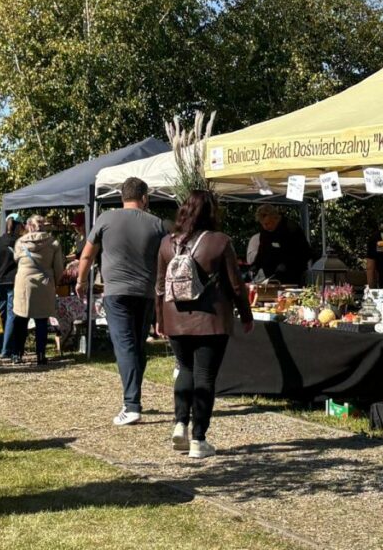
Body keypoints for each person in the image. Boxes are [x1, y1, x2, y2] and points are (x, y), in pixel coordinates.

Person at [155, 189, 254, 459]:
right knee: (205, 376)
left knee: (184, 368)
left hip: (175, 318)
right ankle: (199, 439)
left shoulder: (167, 243)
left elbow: (160, 287)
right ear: (212, 212)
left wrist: (160, 319)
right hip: (211, 321)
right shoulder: (220, 242)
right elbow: (236, 285)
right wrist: (246, 315)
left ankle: (179, 423)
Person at [76, 177, 165, 426]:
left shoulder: (105, 219)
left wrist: (81, 281)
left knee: (125, 346)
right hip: (146, 292)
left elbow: (87, 254)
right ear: (145, 198)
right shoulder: (157, 223)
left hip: (116, 292)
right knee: (137, 346)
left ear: (122, 196)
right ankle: (133, 397)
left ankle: (131, 404)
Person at [7, 215, 63, 366]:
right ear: (43, 225)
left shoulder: (20, 242)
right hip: (45, 282)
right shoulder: (53, 243)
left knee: (20, 319)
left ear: (29, 226)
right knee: (42, 320)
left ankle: (17, 354)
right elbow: (58, 267)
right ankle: (40, 355)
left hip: (24, 283)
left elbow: (16, 258)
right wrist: (55, 283)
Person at [251, 205, 312, 284]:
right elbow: (262, 251)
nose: (265, 227)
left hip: (293, 276)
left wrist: (287, 264)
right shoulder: (265, 231)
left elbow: (305, 252)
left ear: (275, 218)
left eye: (268, 223)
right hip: (271, 277)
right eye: (262, 224)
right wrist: (256, 265)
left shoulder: (291, 228)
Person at [0, 213, 24, 358]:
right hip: (13, 281)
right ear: (18, 226)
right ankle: (7, 349)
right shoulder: (19, 243)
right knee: (12, 315)